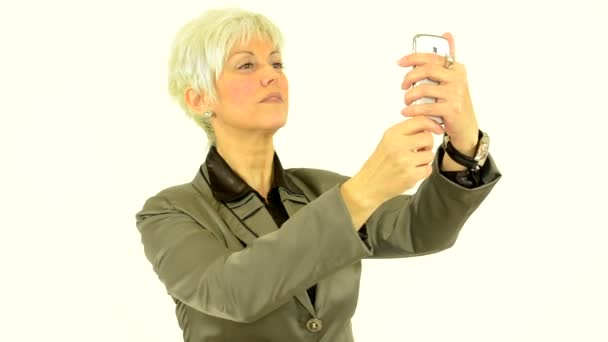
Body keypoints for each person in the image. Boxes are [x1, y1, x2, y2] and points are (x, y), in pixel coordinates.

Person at [135, 7, 501, 342]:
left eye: (276, 64)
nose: (271, 77)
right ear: (199, 99)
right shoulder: (170, 212)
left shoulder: (318, 188)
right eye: (247, 66)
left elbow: (422, 230)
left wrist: (464, 140)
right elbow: (234, 293)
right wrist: (363, 191)